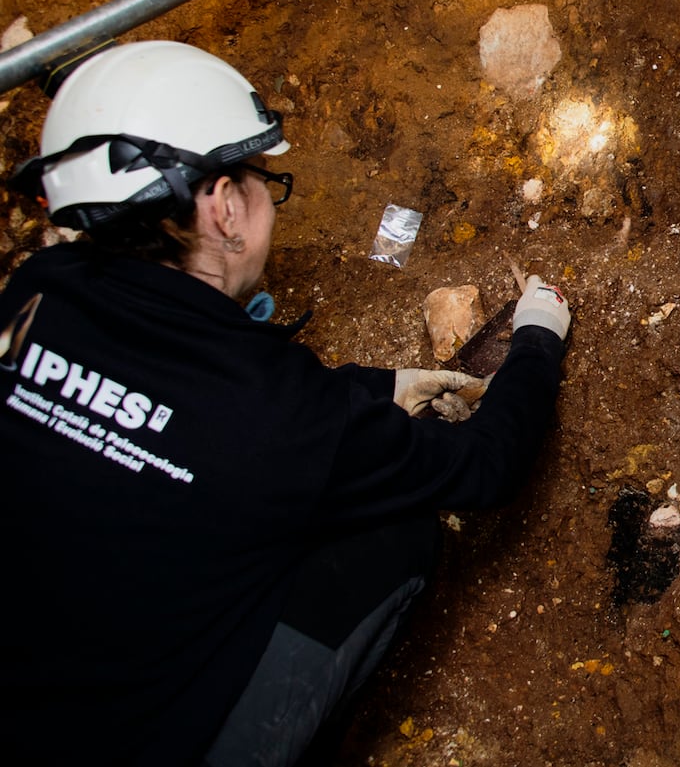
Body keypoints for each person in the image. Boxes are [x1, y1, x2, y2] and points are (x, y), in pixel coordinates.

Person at [0, 40, 573, 767]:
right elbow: (487, 466)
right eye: (261, 176)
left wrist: (379, 387)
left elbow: (190, 406)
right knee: (398, 534)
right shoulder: (274, 413)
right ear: (223, 206)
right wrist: (536, 340)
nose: (269, 192)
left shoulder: (33, 296)